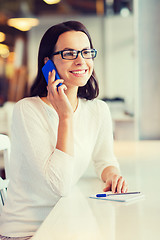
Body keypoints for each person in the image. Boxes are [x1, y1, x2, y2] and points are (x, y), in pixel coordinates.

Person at [0, 20, 128, 239]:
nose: (81, 61)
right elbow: (60, 185)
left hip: (68, 224)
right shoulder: (27, 110)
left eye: (86, 52)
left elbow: (104, 159)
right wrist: (65, 116)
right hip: (28, 232)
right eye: (69, 53)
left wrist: (112, 175)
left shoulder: (98, 110)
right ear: (48, 63)